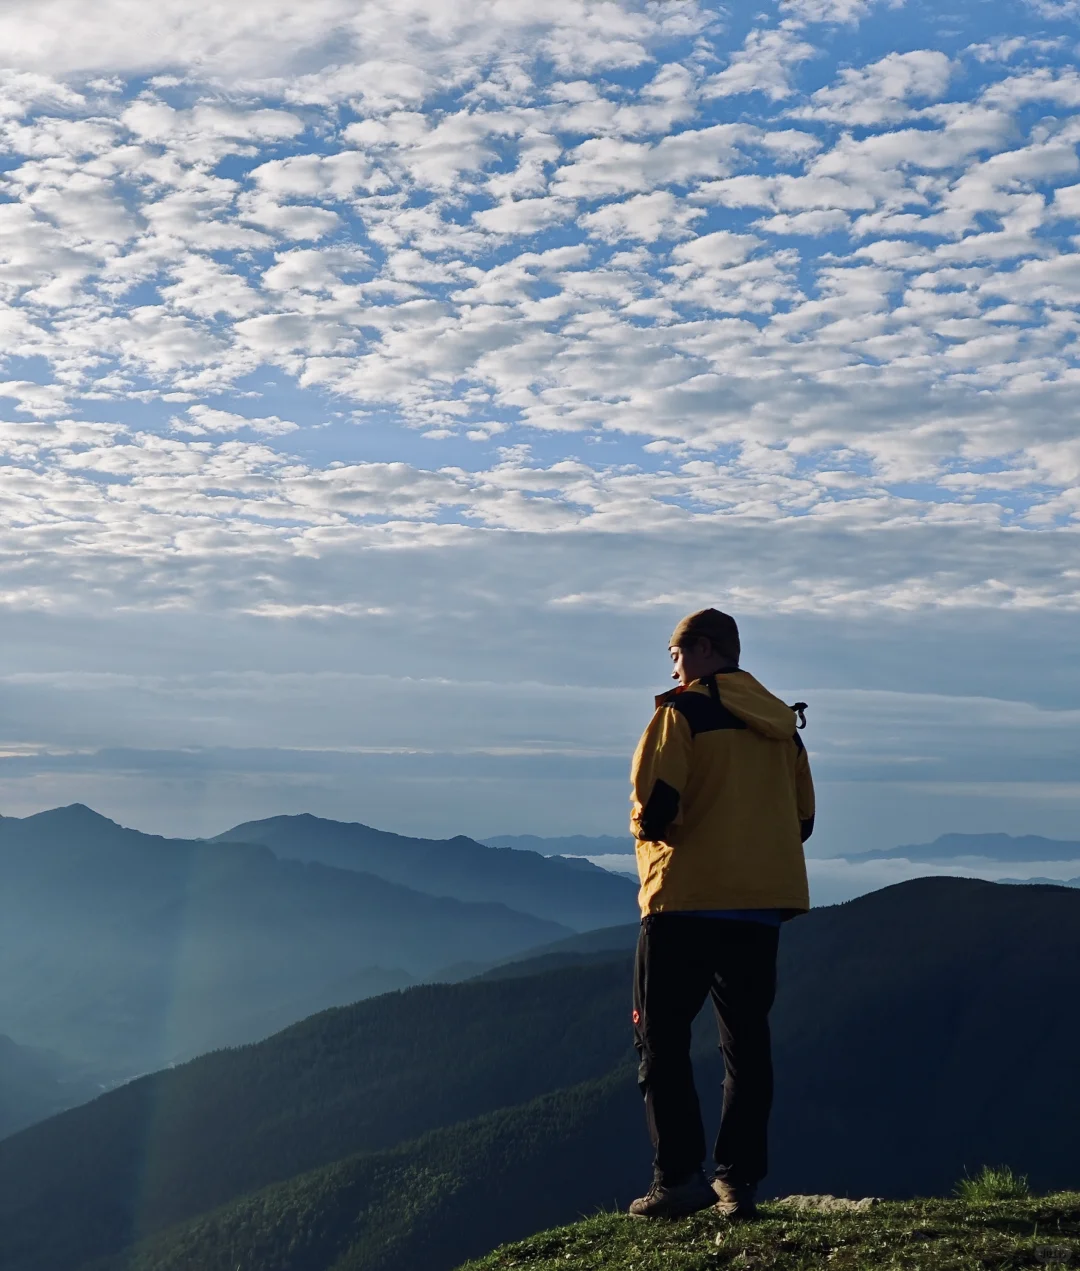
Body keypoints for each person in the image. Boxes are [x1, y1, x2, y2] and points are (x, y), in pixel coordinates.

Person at [627, 607, 815, 1221]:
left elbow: (656, 808)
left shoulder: (678, 715)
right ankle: (739, 1183)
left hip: (684, 900)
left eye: (675, 654)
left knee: (662, 1039)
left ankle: (678, 1178)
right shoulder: (782, 728)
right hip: (759, 907)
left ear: (703, 650)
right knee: (747, 1046)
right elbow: (803, 820)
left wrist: (650, 834)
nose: (672, 667)